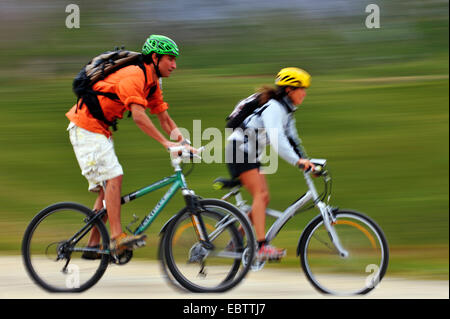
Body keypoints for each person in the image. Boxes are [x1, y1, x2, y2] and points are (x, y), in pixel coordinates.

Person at [66, 35, 191, 257]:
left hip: (99, 131)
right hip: (86, 128)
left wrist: (183, 143)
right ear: (155, 57)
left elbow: (164, 119)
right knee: (114, 177)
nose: (174, 65)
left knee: (107, 189)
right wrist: (165, 143)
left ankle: (94, 245)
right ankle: (116, 238)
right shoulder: (134, 76)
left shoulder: (152, 83)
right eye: (170, 59)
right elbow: (139, 116)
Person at [225, 67, 315, 260]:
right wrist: (297, 161)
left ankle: (235, 241)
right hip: (239, 150)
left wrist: (308, 162)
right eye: (302, 88)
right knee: (261, 194)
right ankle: (261, 246)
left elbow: (293, 140)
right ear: (289, 90)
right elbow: (277, 139)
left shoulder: (287, 112)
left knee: (263, 199)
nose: (305, 93)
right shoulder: (274, 107)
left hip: (249, 153)